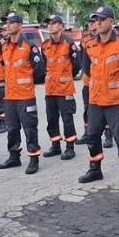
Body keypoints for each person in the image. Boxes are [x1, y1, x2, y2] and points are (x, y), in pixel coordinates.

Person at [78, 6, 119, 191]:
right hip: (96, 100)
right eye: (96, 19)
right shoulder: (89, 44)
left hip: (117, 101)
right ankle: (95, 169)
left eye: (102, 19)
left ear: (111, 22)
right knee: (92, 136)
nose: (98, 22)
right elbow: (87, 68)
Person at [0, 12, 46, 174]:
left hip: (25, 96)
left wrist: (28, 84)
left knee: (29, 128)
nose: (7, 26)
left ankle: (33, 158)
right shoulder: (4, 46)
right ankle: (14, 157)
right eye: (6, 23)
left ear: (19, 25)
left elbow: (39, 71)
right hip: (10, 96)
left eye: (11, 23)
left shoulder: (28, 46)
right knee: (12, 128)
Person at [41, 15, 81, 160]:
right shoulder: (45, 45)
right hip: (50, 89)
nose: (50, 26)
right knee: (51, 119)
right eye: (49, 24)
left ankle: (70, 147)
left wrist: (66, 76)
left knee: (67, 119)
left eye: (53, 23)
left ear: (61, 26)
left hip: (65, 89)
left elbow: (77, 65)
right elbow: (44, 64)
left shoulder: (69, 44)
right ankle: (55, 145)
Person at [75, 14, 98, 146]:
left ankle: (107, 135)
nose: (91, 24)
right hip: (88, 82)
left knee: (102, 108)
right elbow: (82, 60)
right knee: (87, 109)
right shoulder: (85, 40)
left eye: (93, 22)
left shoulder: (104, 38)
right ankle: (87, 133)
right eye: (89, 22)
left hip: (101, 82)